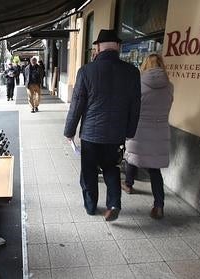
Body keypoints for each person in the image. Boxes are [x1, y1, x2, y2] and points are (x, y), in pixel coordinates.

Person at [64, 29, 141, 221]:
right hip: (116, 134)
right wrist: (130, 131)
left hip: (91, 133)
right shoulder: (132, 72)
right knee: (111, 167)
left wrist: (69, 131)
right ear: (118, 47)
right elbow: (135, 105)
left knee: (89, 170)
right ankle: (114, 203)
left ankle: (91, 206)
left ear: (98, 47)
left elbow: (77, 104)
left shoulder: (86, 71)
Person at [122, 53, 173, 220]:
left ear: (145, 65)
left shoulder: (139, 83)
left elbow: (132, 107)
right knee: (154, 169)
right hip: (160, 132)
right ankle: (159, 205)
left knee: (132, 157)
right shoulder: (169, 86)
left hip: (140, 129)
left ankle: (128, 185)